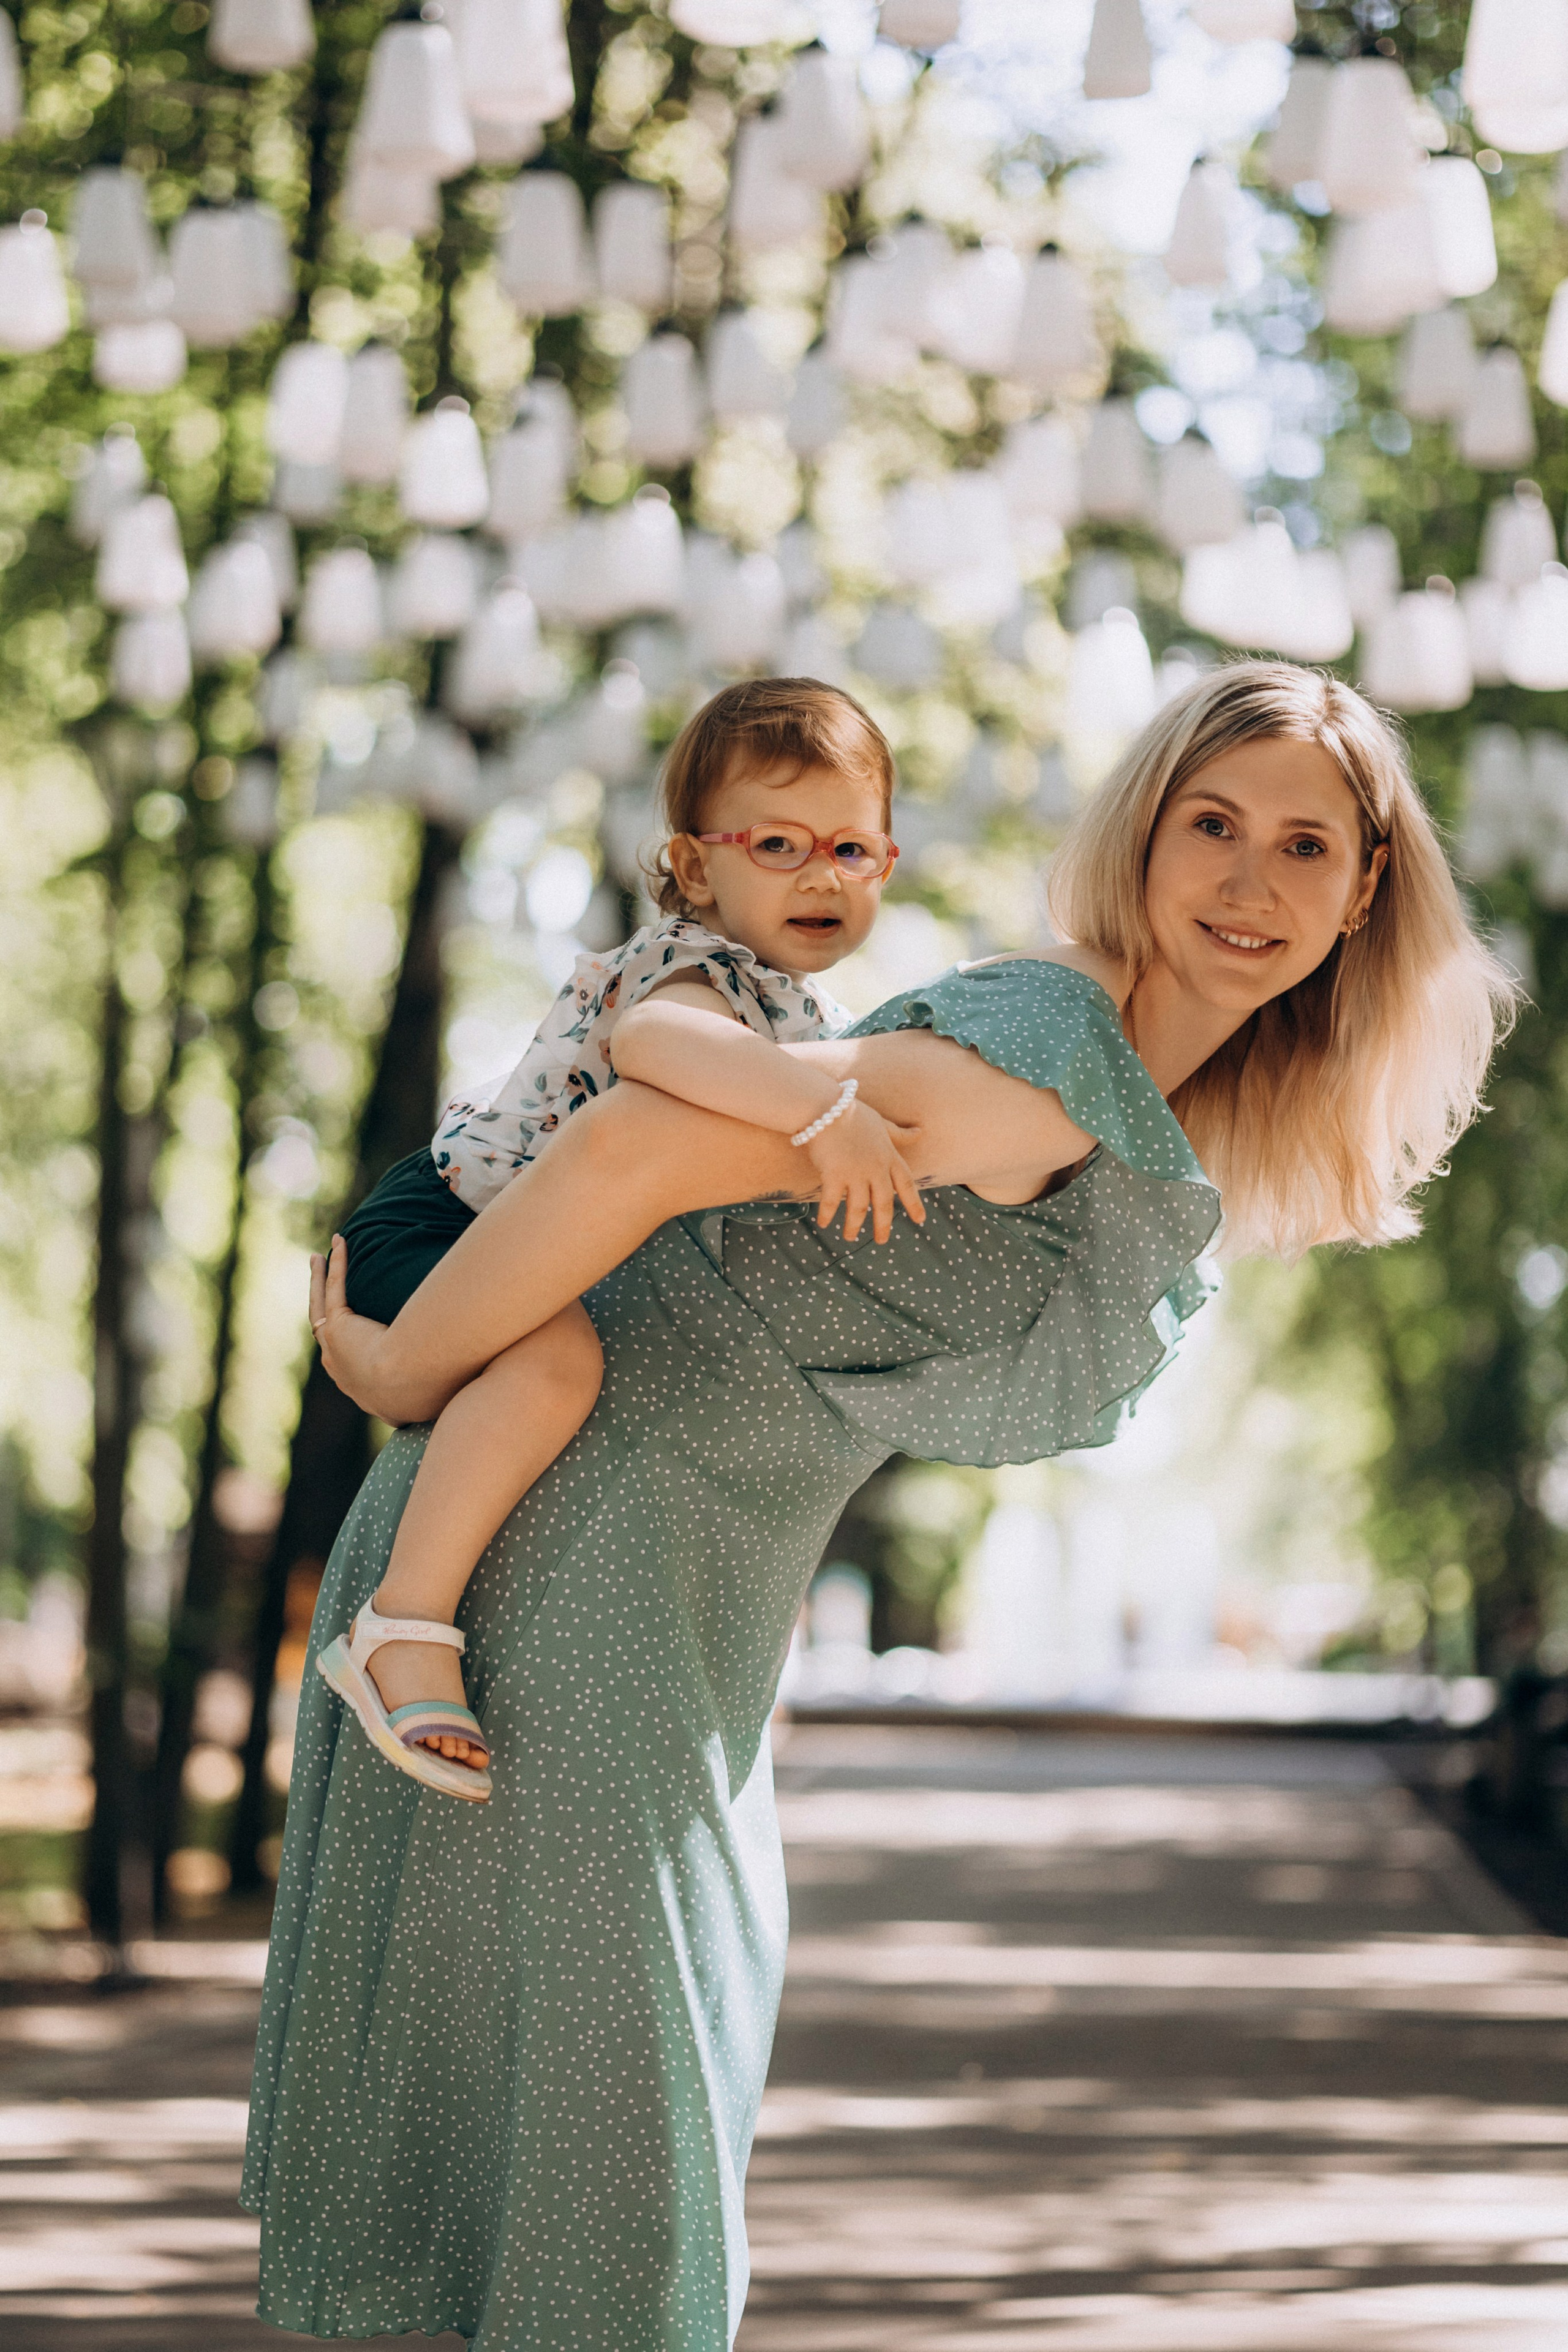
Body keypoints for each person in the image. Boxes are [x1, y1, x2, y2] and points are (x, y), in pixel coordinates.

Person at [245, 663, 1514, 2351]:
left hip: (656, 1612)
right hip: (560, 1575)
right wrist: (404, 1368)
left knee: (582, 2205)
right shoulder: (1044, 1060)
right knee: (612, 2219)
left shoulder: (1122, 1084)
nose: (1248, 880)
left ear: (1364, 892)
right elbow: (628, 1147)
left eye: (1303, 846)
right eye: (1210, 824)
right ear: (1143, 840)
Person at [317, 678, 921, 1799]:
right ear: (696, 867)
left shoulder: (803, 1016)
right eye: (778, 844)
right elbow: (656, 1049)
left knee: (559, 1364)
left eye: (852, 849)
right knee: (555, 1365)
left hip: (522, 1250)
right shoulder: (694, 968)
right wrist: (828, 1114)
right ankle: (400, 1627)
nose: (822, 876)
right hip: (445, 1224)